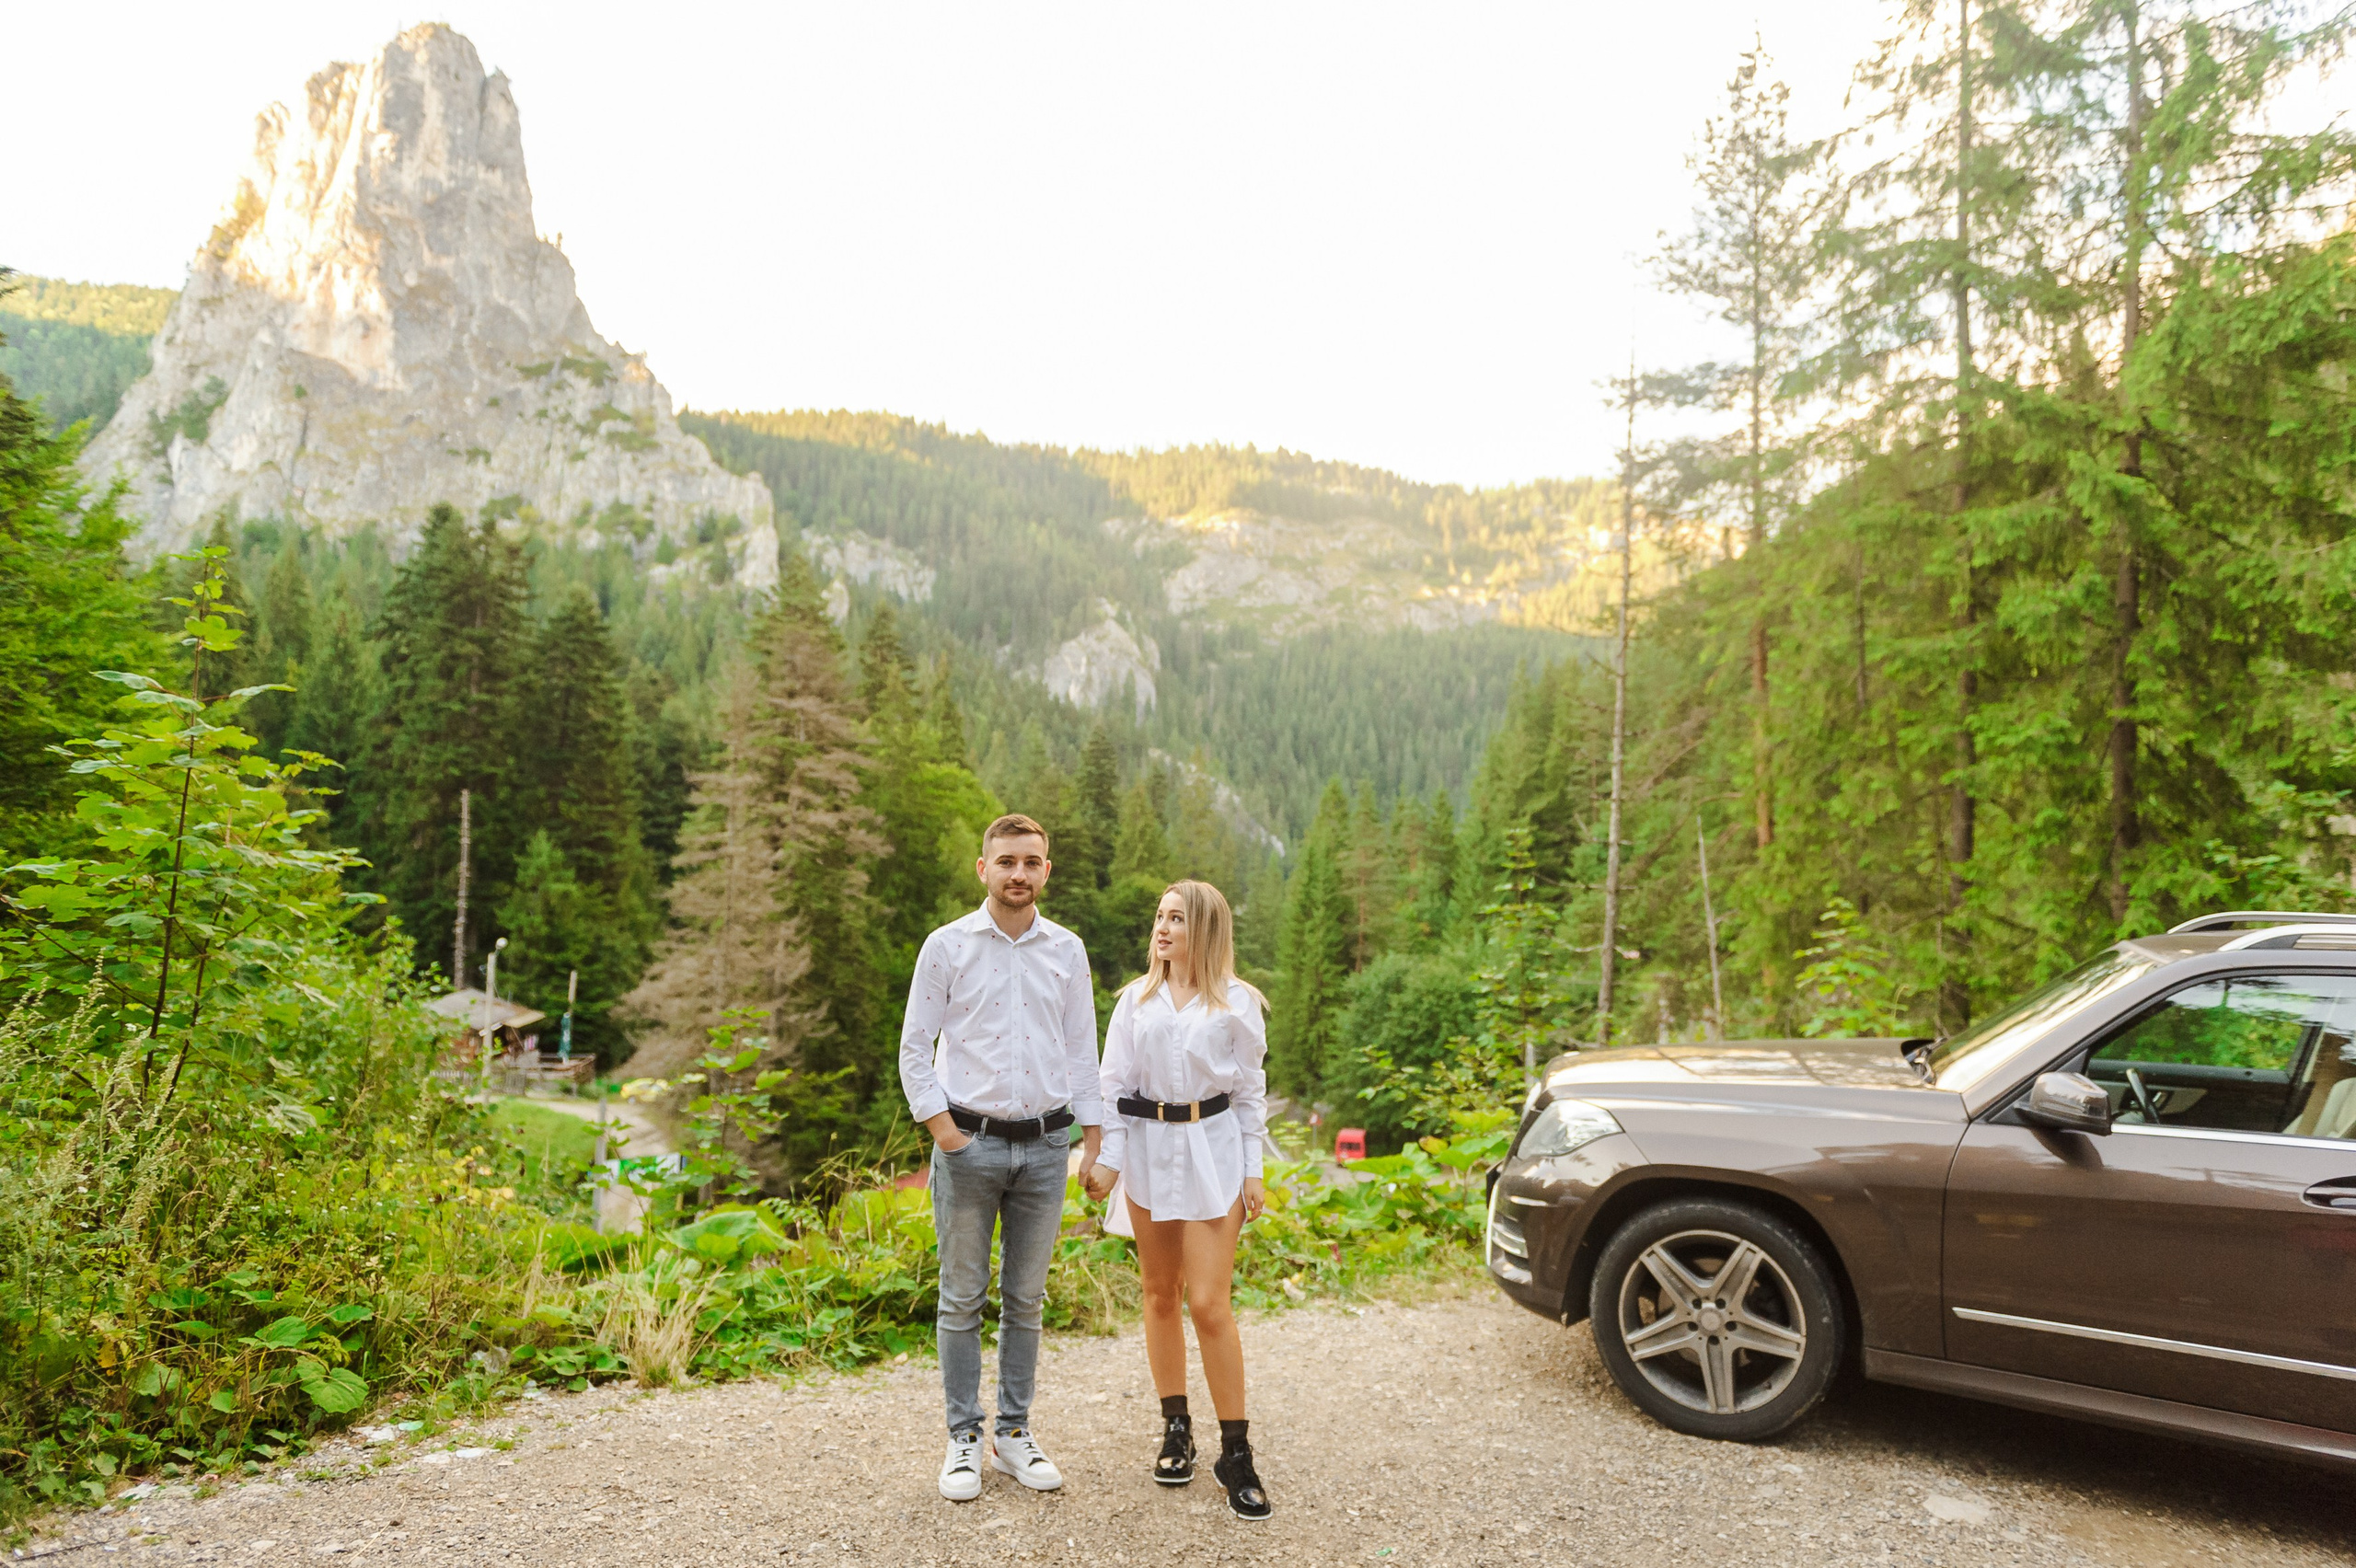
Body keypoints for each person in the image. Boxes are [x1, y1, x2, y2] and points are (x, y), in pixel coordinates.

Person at [899, 813, 1103, 1502]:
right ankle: (963, 1437)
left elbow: (1082, 1051)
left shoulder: (1067, 950)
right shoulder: (946, 946)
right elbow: (915, 1048)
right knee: (961, 1299)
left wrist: (1092, 1139)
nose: (1020, 873)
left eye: (1032, 862)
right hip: (969, 1145)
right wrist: (946, 1134)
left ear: (1047, 870)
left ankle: (1012, 1435)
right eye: (1007, 861)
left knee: (1026, 1300)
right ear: (982, 868)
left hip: (1047, 1150)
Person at [1083, 880, 1274, 1522]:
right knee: (1159, 1294)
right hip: (1144, 1151)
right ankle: (1175, 1430)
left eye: (1177, 919)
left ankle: (1236, 1452)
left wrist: (1254, 1170)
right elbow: (1112, 1086)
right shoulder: (1134, 1002)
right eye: (1160, 917)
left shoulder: (1238, 1004)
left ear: (1206, 931)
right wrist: (1107, 1161)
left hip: (1213, 1153)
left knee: (1209, 1304)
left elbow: (1249, 1094)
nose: (1162, 929)